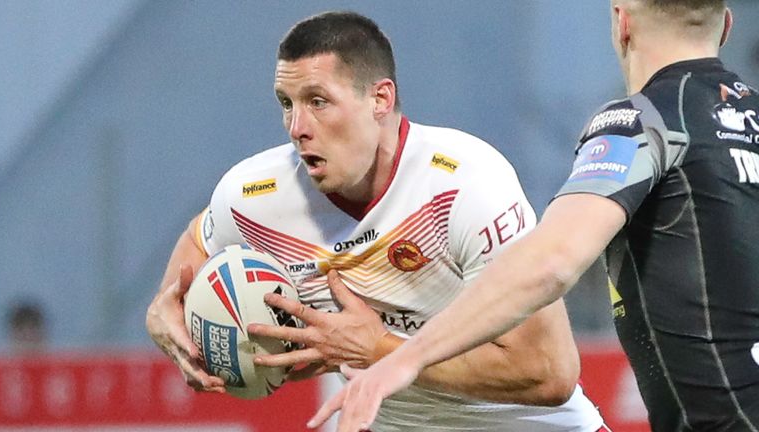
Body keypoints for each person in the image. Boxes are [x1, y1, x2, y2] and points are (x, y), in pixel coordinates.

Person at [146, 10, 610, 432]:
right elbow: (199, 238)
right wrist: (163, 313)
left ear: (380, 99)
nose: (296, 126)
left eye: (318, 101)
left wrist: (378, 350)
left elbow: (551, 373)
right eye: (286, 102)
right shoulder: (255, 194)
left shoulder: (463, 185)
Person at [309, 1, 759, 431]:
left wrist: (402, 357)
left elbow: (552, 261)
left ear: (621, 24)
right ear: (725, 26)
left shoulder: (641, 122)